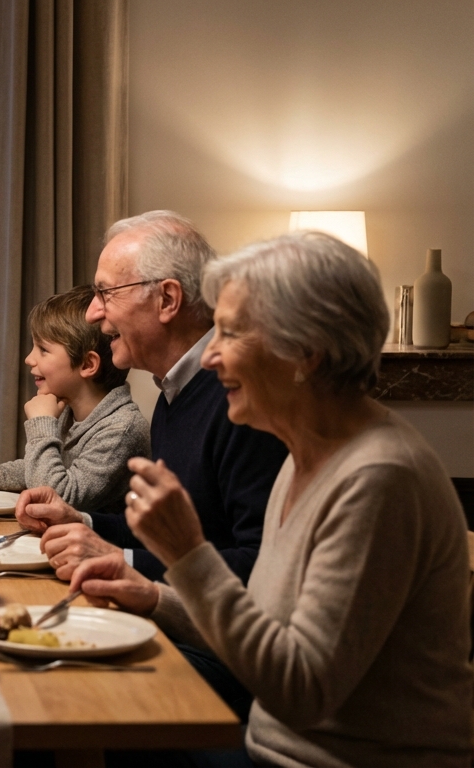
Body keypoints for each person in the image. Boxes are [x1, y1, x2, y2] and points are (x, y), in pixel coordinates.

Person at [69, 232, 473, 767]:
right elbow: (260, 630)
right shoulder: (305, 455)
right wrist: (154, 596)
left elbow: (301, 691)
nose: (209, 356)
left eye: (231, 333)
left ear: (305, 352)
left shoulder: (379, 478)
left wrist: (189, 557)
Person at [16, 211, 288, 584]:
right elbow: (165, 539)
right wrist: (81, 520)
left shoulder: (244, 401)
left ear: (167, 299)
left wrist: (121, 560)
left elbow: (260, 569)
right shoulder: (175, 392)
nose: (93, 314)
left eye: (105, 293)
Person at [0, 285, 149, 511]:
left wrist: (41, 425)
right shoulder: (70, 411)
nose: (29, 359)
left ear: (87, 364)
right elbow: (39, 469)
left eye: (43, 349)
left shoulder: (121, 431)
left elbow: (57, 499)